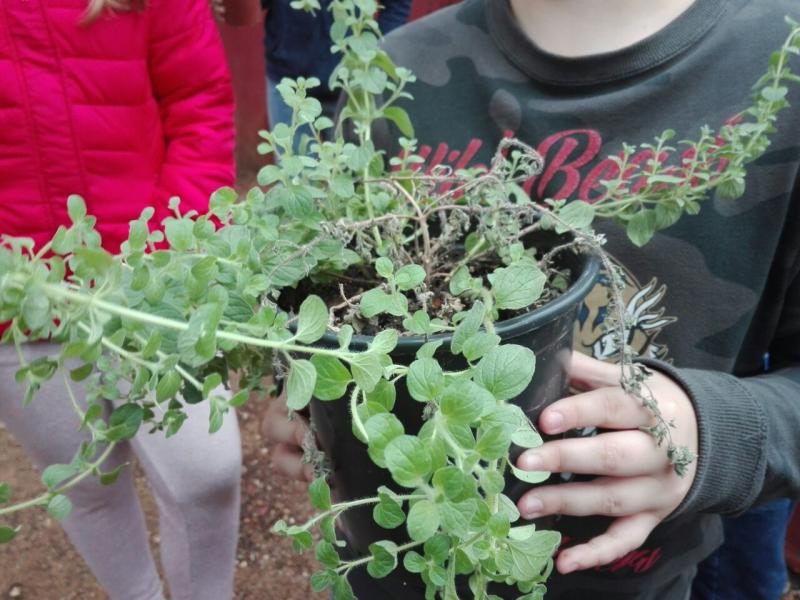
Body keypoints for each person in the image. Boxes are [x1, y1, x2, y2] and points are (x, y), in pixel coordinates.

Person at [263, 0, 800, 599]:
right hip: (401, 567)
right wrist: (311, 395)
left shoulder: (782, 62)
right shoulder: (395, 73)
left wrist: (719, 435)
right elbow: (331, 301)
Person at [0, 1, 241, 599]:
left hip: (150, 287)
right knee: (89, 486)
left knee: (205, 475)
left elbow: (199, 105)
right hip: (19, 301)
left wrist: (159, 260)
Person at [261, 0, 412, 144]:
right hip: (288, 79)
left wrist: (372, 55)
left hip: (350, 84)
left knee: (349, 168)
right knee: (292, 168)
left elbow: (397, 6)